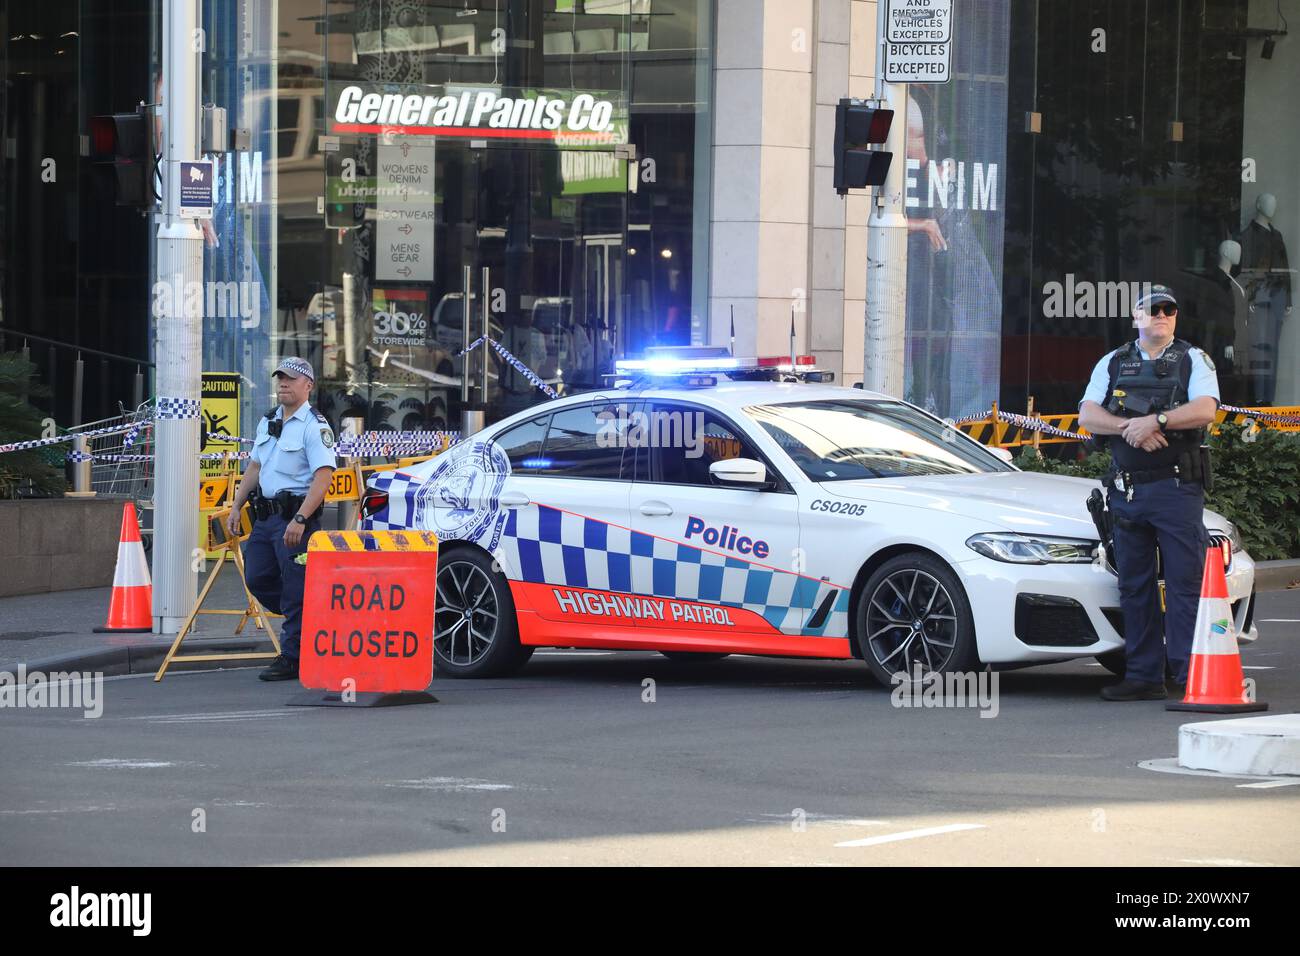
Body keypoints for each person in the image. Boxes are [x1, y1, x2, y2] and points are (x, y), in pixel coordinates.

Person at [1079, 286, 1220, 702]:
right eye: (1151, 309)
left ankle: (1189, 672)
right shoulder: (1114, 360)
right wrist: (1131, 428)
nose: (1160, 315)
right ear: (1136, 317)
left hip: (1176, 488)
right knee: (1134, 586)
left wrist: (1157, 419)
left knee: (1183, 583)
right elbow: (1088, 414)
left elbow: (1206, 409)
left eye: (1168, 310)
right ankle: (1142, 676)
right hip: (1127, 492)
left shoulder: (1194, 359)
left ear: (1175, 317)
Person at [227, 358, 337, 681]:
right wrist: (236, 505)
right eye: (280, 379)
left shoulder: (315, 427)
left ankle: (292, 655)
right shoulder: (269, 421)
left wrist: (301, 518)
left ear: (308, 386)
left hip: (295, 521)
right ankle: (312, 618)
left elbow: (323, 478)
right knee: (257, 577)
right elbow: (255, 467)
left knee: (296, 588)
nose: (283, 384)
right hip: (265, 519)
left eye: (291, 379)